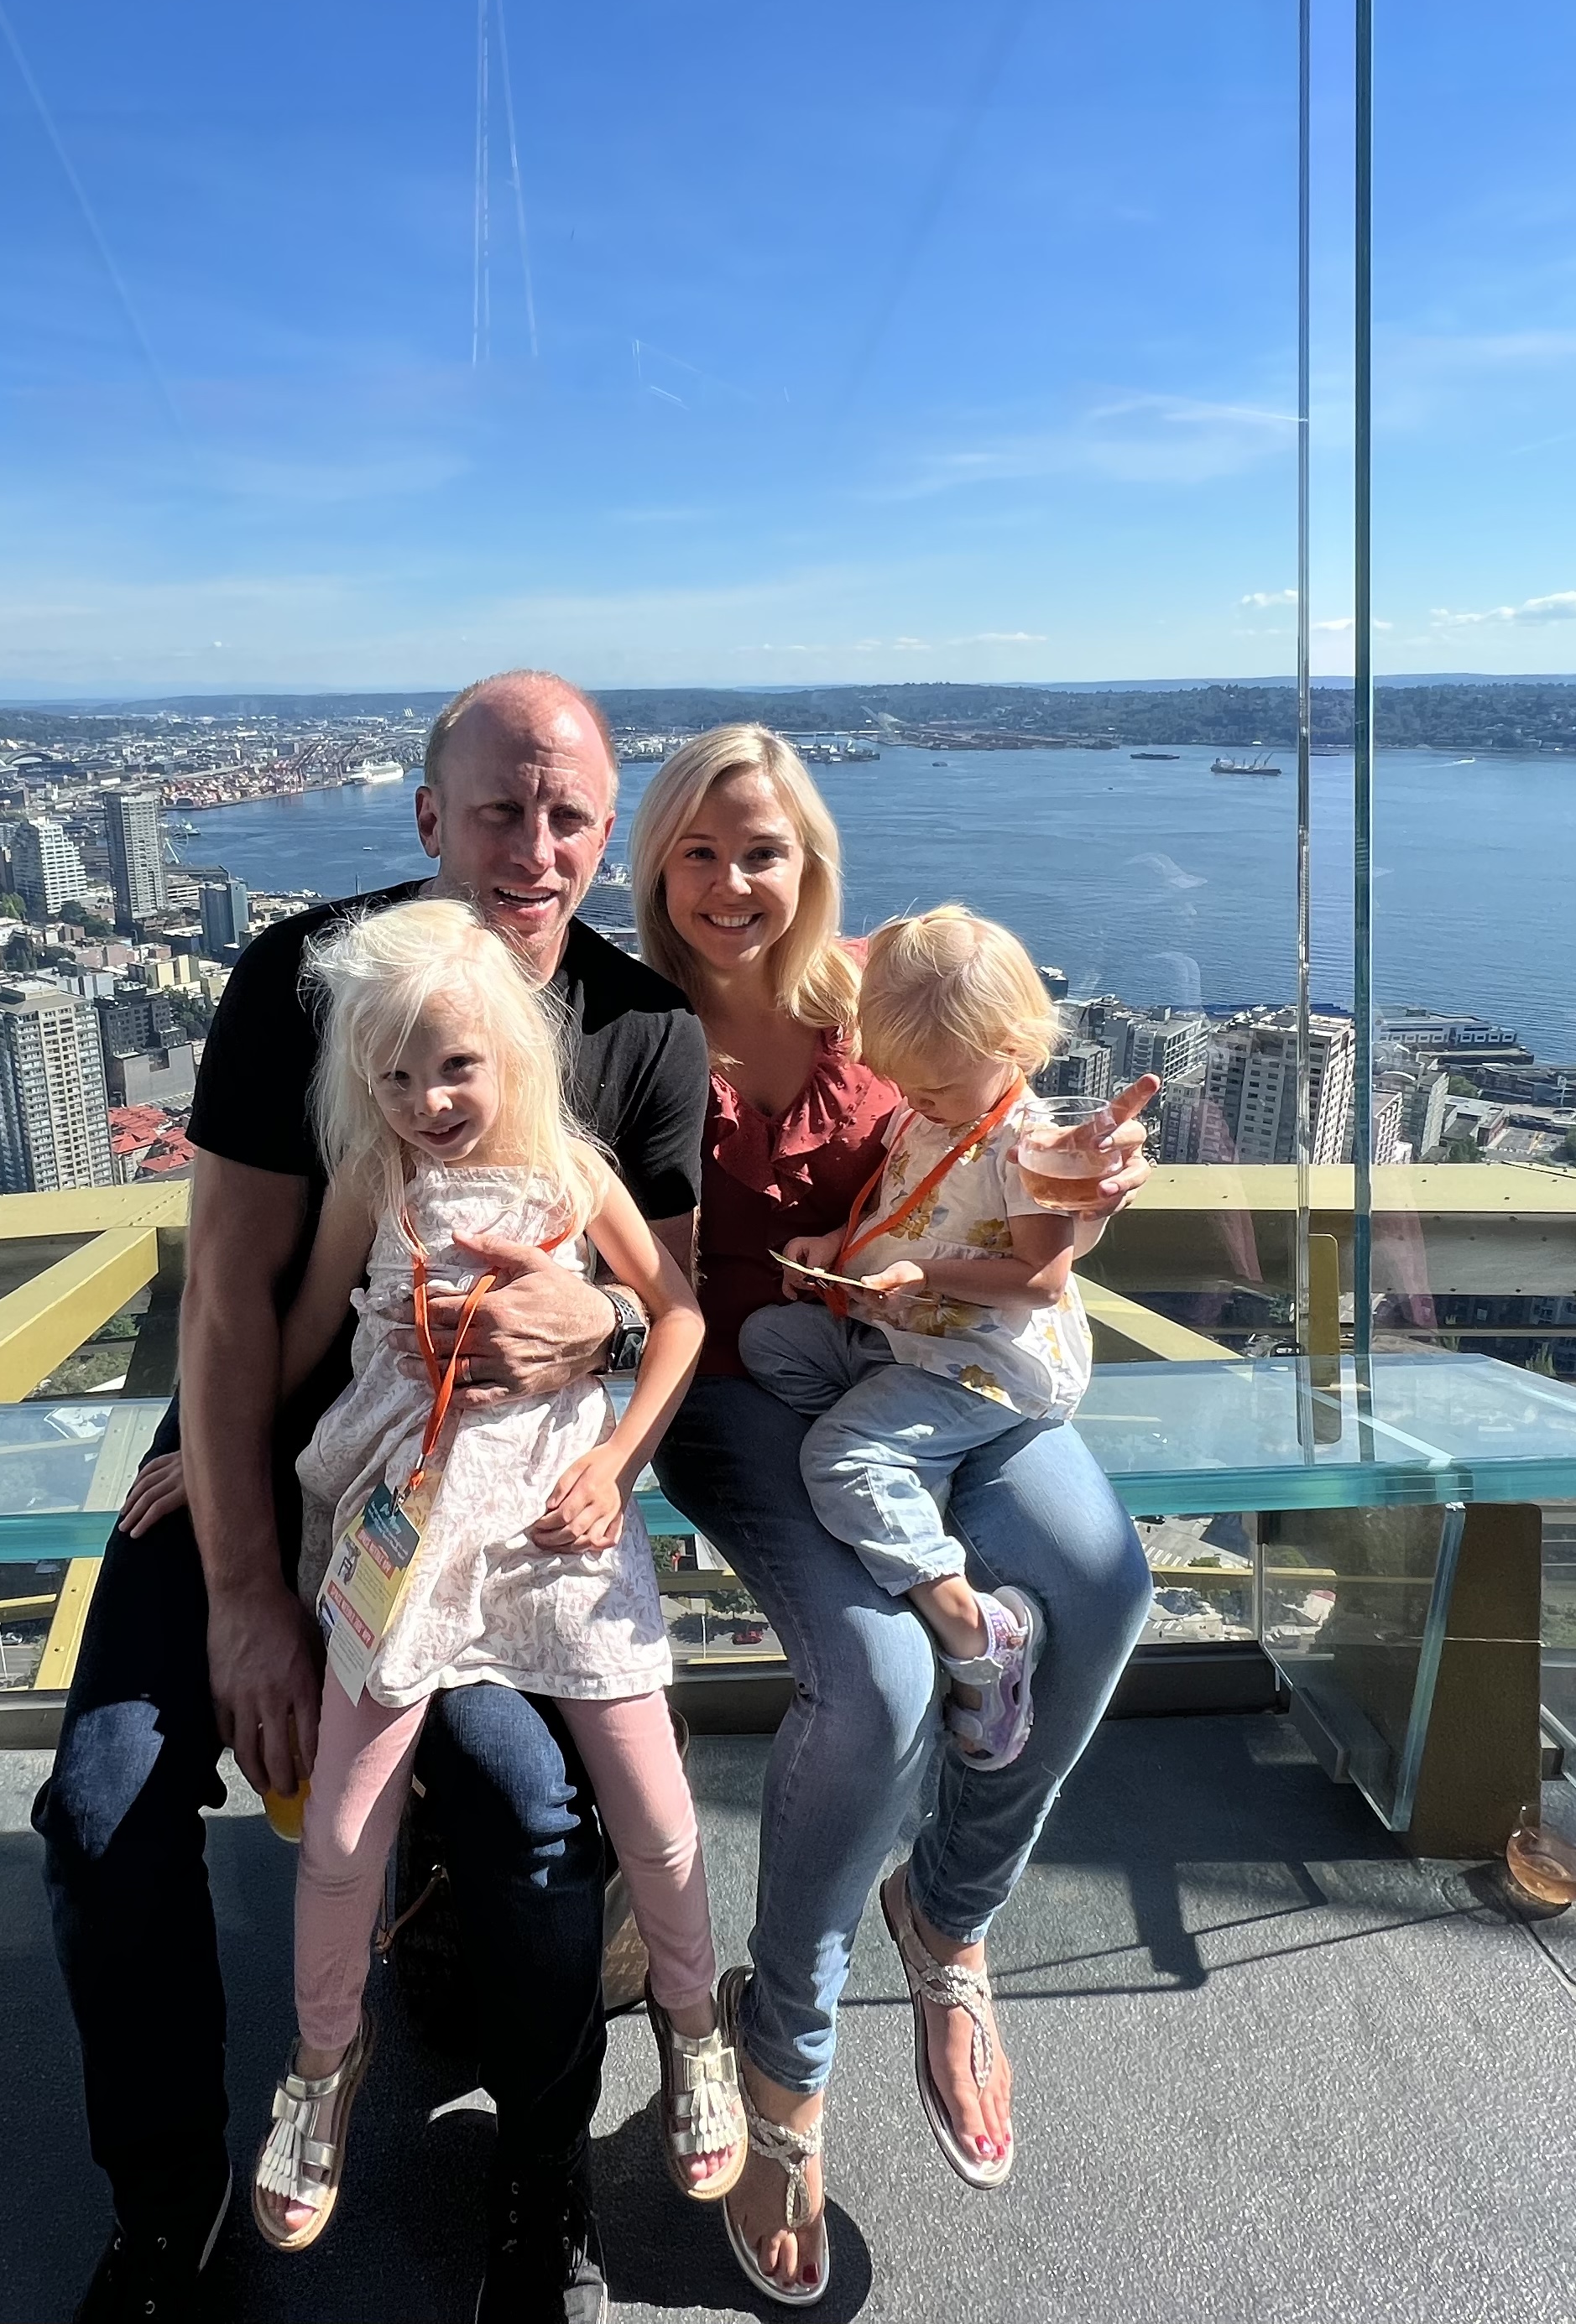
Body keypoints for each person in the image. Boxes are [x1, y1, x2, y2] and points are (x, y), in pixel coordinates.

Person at [36, 672, 709, 2324]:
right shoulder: (308, 980)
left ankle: (543, 2171)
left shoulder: (642, 1030)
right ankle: (166, 2201)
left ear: (604, 828)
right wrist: (249, 1578)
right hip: (273, 1470)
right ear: (427, 818)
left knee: (531, 1813)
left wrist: (605, 1326)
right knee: (106, 1804)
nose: (533, 847)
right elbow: (231, 1296)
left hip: (483, 1519)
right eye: (498, 808)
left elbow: (671, 1299)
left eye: (566, 814)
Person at [630, 727, 1157, 2304]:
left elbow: (1007, 1125)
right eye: (703, 851)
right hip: (743, 1385)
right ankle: (786, 2058)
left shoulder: (885, 987)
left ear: (813, 865)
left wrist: (1079, 1186)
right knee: (883, 1679)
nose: (735, 884)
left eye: (764, 851)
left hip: (934, 1356)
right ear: (659, 862)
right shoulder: (625, 1028)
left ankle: (949, 1913)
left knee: (1105, 1581)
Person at [248, 898, 740, 2250]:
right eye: (394, 1076)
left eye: (453, 1066)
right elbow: (294, 1342)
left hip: (548, 1520)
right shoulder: (376, 1180)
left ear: (513, 1054)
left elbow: (681, 1315)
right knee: (343, 1828)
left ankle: (694, 2026)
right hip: (405, 1518)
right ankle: (322, 2060)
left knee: (655, 1804)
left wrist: (621, 1459)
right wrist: (214, 1447)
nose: (424, 1100)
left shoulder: (576, 1174)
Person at [741, 904, 1099, 1778]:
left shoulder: (1027, 1145)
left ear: (1009, 1046)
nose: (915, 1100)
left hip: (979, 1361)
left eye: (933, 1085)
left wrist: (926, 1278)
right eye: (909, 1084)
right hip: (901, 1336)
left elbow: (1040, 1277)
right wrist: (838, 1251)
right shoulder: (931, 1114)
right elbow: (896, 1207)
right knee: (768, 1342)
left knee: (835, 1457)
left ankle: (980, 1631)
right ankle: (904, 1474)